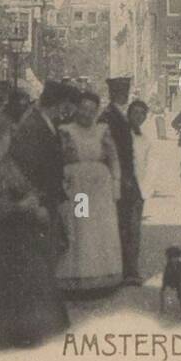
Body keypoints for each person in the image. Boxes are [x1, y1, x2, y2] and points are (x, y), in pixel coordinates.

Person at [0, 115, 60, 349]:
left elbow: (24, 185)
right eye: (6, 137)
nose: (9, 141)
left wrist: (34, 200)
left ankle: (21, 333)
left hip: (15, 229)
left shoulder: (7, 162)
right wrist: (20, 206)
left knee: (26, 279)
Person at [8, 80, 75, 342]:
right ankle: (31, 327)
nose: (66, 112)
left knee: (46, 260)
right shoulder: (33, 127)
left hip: (46, 202)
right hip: (38, 206)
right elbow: (29, 171)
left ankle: (42, 323)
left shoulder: (44, 124)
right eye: (65, 106)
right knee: (37, 264)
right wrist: (39, 203)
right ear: (56, 105)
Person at [57, 89, 124, 294]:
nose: (87, 114)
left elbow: (113, 158)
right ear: (77, 108)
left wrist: (116, 184)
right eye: (83, 108)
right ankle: (78, 277)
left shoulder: (102, 130)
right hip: (78, 187)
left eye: (91, 110)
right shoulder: (66, 130)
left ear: (96, 112)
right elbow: (59, 159)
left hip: (100, 189)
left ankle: (102, 277)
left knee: (100, 229)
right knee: (80, 226)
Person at [102, 77, 144, 286]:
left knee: (128, 225)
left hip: (127, 178)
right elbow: (115, 152)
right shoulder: (110, 116)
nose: (125, 95)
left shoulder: (117, 115)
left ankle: (127, 269)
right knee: (127, 226)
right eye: (122, 92)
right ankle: (128, 271)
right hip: (122, 180)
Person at [128, 99, 156, 204]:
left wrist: (146, 190)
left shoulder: (145, 139)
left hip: (138, 187)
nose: (138, 116)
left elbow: (150, 165)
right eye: (135, 112)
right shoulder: (122, 134)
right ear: (129, 114)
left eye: (142, 113)